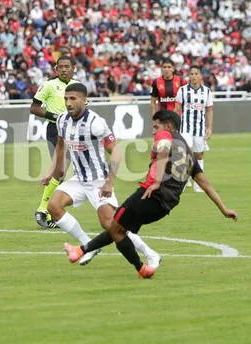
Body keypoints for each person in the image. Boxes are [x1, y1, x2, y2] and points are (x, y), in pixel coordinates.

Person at [64, 111, 237, 278]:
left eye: (156, 127)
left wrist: (157, 182)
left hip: (150, 194)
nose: (153, 131)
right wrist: (223, 209)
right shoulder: (188, 153)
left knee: (116, 228)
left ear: (168, 126)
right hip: (165, 205)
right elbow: (204, 183)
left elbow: (162, 150)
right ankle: (80, 250)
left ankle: (140, 268)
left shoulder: (164, 135)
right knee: (118, 228)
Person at [43, 83, 159, 266]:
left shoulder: (95, 123)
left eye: (73, 98)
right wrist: (53, 171)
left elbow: (117, 151)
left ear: (84, 100)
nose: (68, 103)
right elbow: (60, 146)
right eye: (66, 99)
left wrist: (109, 183)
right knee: (53, 206)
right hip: (79, 179)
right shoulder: (62, 120)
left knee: (110, 224)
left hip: (98, 180)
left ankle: (150, 253)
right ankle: (88, 245)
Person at [30, 55, 79, 229]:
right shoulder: (49, 85)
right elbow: (34, 108)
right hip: (55, 130)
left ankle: (50, 211)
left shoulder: (77, 85)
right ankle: (44, 210)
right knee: (60, 170)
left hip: (73, 131)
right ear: (56, 69)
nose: (64, 69)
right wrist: (55, 117)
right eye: (61, 67)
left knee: (61, 173)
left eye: (67, 66)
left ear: (73, 68)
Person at [175, 65, 213, 192]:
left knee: (199, 155)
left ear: (200, 76)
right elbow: (177, 109)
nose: (194, 76)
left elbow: (209, 110)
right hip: (185, 128)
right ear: (189, 76)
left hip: (200, 129)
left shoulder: (207, 91)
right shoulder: (182, 90)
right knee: (186, 152)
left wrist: (210, 127)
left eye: (196, 73)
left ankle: (199, 184)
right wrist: (175, 127)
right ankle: (183, 182)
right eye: (191, 74)